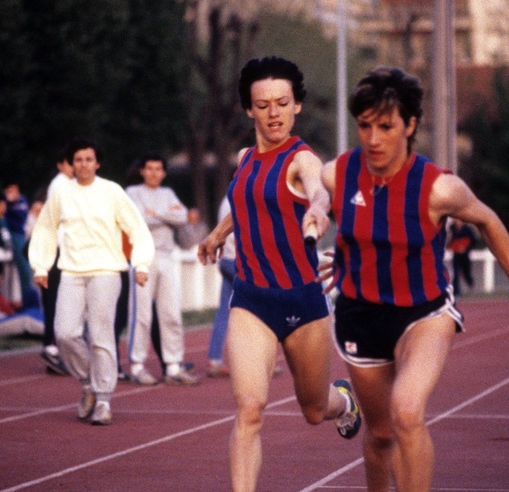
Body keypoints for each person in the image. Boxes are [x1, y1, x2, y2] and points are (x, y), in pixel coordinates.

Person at [320, 66, 509, 492]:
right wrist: (339, 255)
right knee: (379, 435)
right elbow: (321, 209)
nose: (373, 139)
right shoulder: (336, 174)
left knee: (408, 411)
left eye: (386, 126)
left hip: (423, 311)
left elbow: (489, 222)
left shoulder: (439, 189)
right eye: (364, 126)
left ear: (410, 125)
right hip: (360, 315)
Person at [197, 56, 361, 491]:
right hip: (252, 301)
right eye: (264, 104)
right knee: (249, 409)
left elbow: (316, 188)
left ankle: (342, 402)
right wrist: (216, 234)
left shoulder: (302, 157)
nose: (274, 113)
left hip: (303, 303)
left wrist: (318, 210)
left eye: (283, 103)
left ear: (297, 106)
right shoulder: (245, 156)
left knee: (312, 410)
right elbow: (245, 201)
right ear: (249, 110)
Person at [29, 138, 154, 426]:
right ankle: (88, 381)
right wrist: (41, 265)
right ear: (71, 164)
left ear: (97, 163)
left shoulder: (112, 192)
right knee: (64, 333)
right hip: (71, 272)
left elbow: (136, 228)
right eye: (78, 160)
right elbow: (46, 230)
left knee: (100, 335)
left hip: (106, 272)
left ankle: (104, 400)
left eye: (89, 159)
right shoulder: (61, 194)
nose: (83, 164)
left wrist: (142, 263)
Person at [126, 155, 198, 386]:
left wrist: (154, 214)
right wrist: (166, 215)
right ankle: (137, 365)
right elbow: (136, 219)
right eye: (150, 169)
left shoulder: (168, 193)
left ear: (164, 173)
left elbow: (182, 216)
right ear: (142, 171)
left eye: (159, 169)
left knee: (170, 313)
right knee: (142, 315)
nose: (154, 173)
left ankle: (173, 365)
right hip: (143, 258)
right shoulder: (132, 192)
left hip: (167, 256)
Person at [38, 151, 73, 376]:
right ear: (60, 165)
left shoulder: (66, 185)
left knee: (60, 301)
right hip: (55, 251)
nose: (75, 167)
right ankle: (51, 347)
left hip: (60, 251)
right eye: (71, 163)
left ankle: (55, 348)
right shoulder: (60, 186)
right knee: (54, 301)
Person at [206, 196, 236, 378]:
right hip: (237, 261)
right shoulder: (242, 195)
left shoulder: (225, 199)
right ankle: (254, 363)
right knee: (256, 312)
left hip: (226, 260)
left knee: (224, 312)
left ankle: (214, 359)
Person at [448, 218, 476, 296]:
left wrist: (466, 249)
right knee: (456, 273)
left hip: (465, 255)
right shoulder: (452, 229)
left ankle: (471, 284)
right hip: (456, 254)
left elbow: (473, 241)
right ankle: (456, 292)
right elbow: (450, 240)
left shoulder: (467, 229)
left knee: (466, 272)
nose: (458, 222)